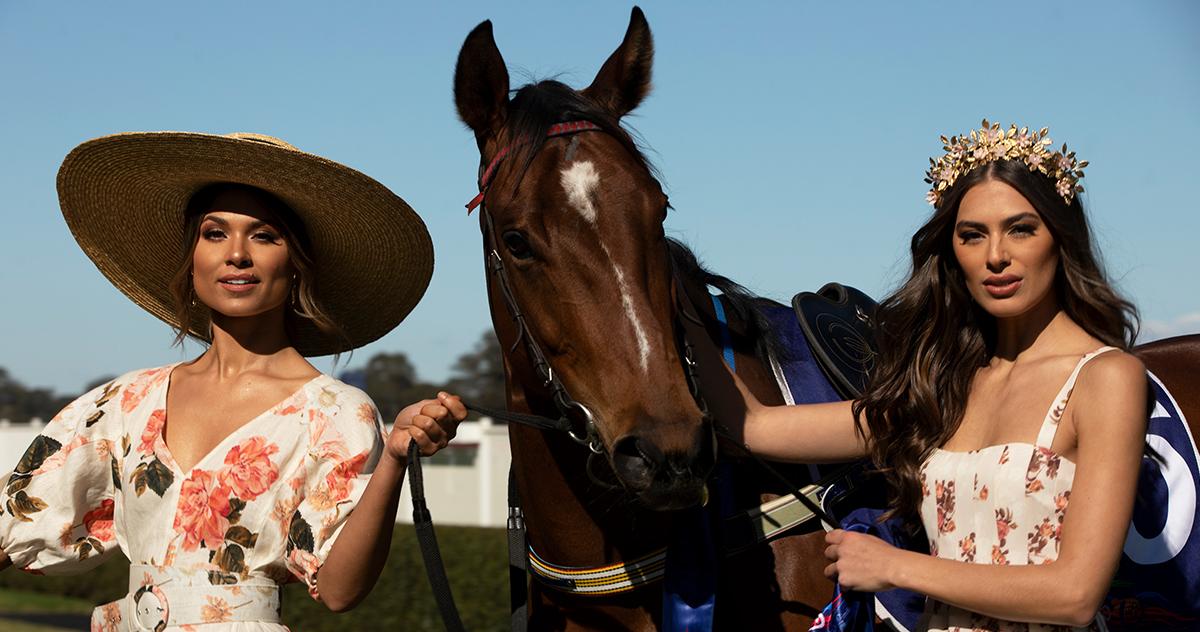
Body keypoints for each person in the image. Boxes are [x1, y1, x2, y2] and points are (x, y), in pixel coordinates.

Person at [0, 132, 464, 630]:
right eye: (214, 233)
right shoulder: (127, 400)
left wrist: (394, 458)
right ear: (192, 259)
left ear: (296, 266)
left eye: (264, 236)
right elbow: (14, 524)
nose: (236, 254)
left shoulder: (333, 413)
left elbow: (338, 590)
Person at [728, 121, 1147, 631]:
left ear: (1059, 239)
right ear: (952, 253)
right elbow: (755, 426)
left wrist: (895, 566)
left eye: (1021, 228)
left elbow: (1076, 594)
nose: (996, 255)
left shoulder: (1105, 377)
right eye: (973, 235)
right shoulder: (944, 385)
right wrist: (669, 296)